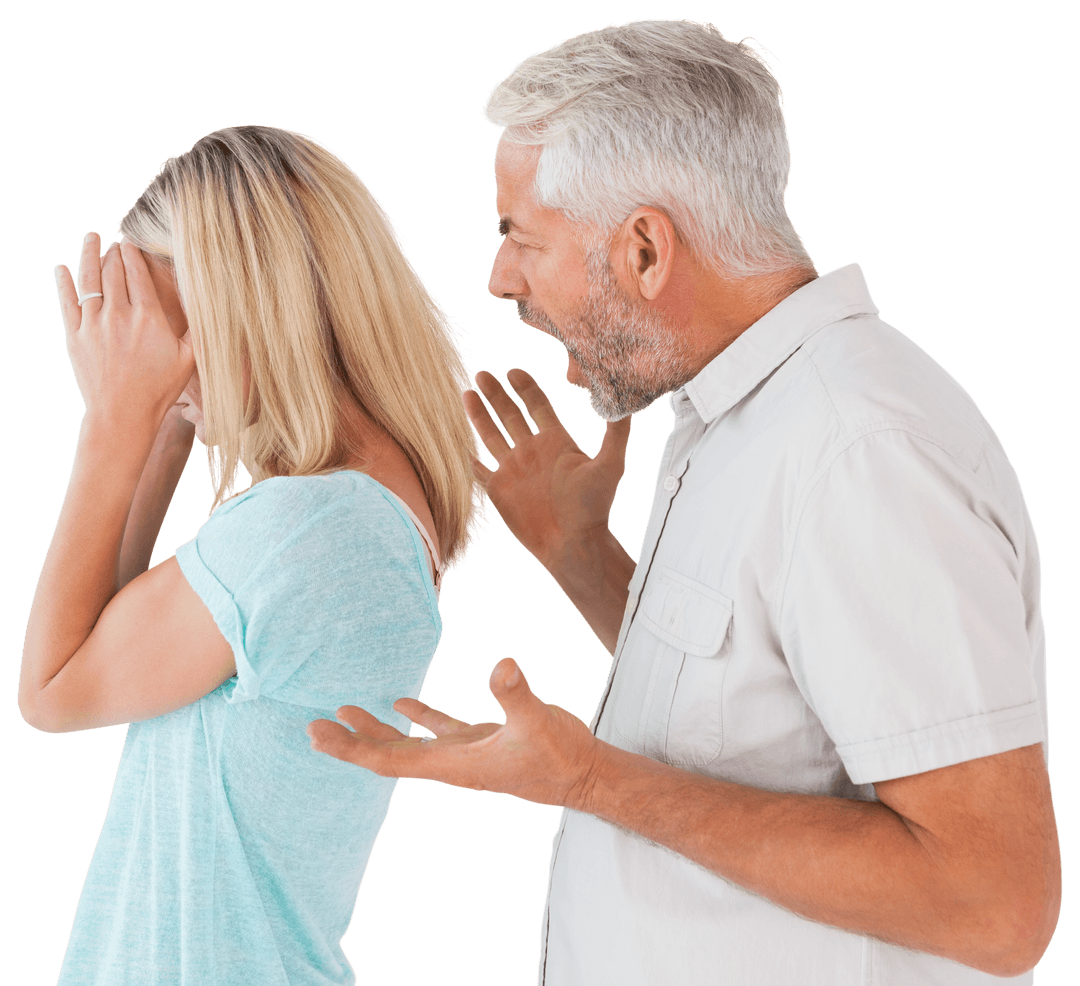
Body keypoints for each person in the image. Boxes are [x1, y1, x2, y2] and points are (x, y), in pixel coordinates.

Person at [307, 19, 1062, 985]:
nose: (499, 281)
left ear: (646, 251)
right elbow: (762, 718)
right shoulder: (735, 417)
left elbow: (993, 905)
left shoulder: (859, 451)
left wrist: (585, 779)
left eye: (521, 239)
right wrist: (581, 555)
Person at [18, 125, 485, 985]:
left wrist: (111, 426)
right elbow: (115, 647)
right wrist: (158, 423)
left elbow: (53, 690)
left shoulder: (309, 529)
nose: (144, 355)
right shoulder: (356, 512)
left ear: (236, 301)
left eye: (161, 321)